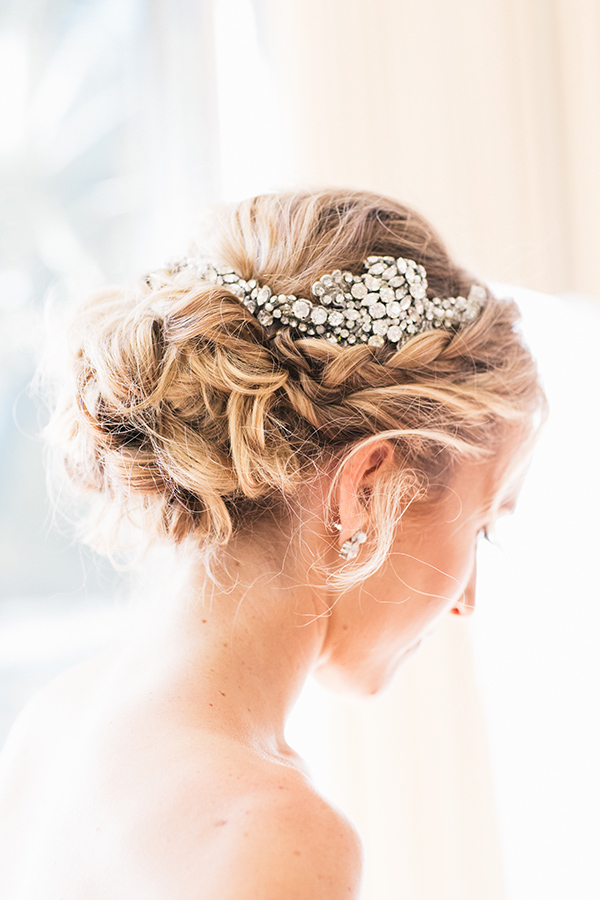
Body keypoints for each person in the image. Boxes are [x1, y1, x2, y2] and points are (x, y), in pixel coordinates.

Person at [0, 190, 544, 899]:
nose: (467, 600)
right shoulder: (272, 835)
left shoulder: (55, 723)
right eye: (481, 526)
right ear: (366, 489)